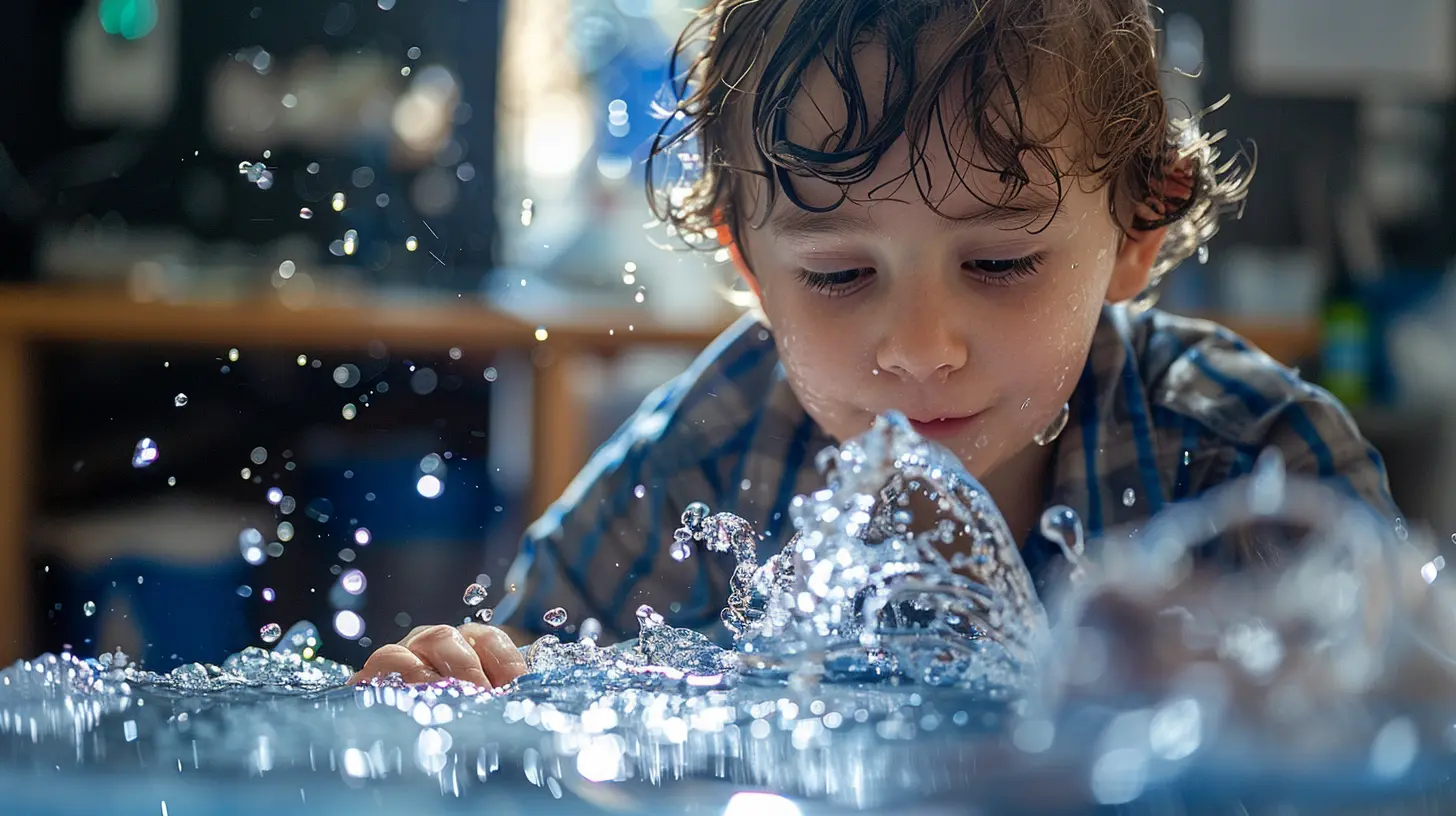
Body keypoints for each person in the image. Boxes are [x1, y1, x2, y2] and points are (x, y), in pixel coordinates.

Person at [349, 0, 1398, 687]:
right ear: (750, 266)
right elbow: (532, 679)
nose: (919, 348)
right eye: (840, 275)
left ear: (1136, 233)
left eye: (998, 265)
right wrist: (469, 677)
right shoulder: (712, 457)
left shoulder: (1250, 461)